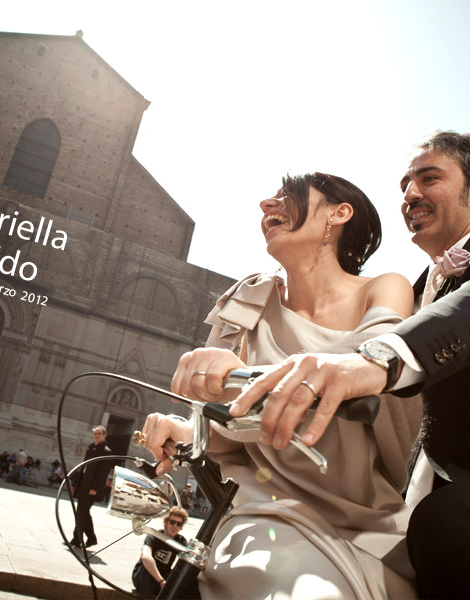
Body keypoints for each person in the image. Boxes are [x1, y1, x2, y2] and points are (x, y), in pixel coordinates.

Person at [222, 132, 470, 598]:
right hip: (422, 502)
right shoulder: (416, 288)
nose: (410, 194)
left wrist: (379, 359)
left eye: (428, 178)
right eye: (405, 183)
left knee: (453, 523)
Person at [141, 172, 421, 598]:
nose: (266, 205)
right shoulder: (246, 304)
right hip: (268, 515)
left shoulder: (384, 288)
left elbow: (370, 367)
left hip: (371, 526)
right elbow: (228, 439)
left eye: (287, 196)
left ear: (338, 213)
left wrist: (241, 378)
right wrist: (189, 428)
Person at [131, 506, 190, 599]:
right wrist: (161, 580)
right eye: (172, 522)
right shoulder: (154, 536)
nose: (175, 526)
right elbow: (145, 556)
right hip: (145, 576)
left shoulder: (180, 541)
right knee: (145, 568)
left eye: (178, 524)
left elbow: (189, 557)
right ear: (166, 522)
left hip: (162, 578)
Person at [70, 425, 112, 548]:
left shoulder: (106, 452)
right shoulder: (90, 449)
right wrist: (75, 484)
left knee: (82, 512)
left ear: (105, 436)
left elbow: (102, 473)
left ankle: (80, 539)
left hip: (92, 488)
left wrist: (95, 488)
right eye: (95, 434)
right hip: (83, 485)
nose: (97, 435)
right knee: (82, 512)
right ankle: (86, 538)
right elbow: (83, 468)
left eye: (99, 433)